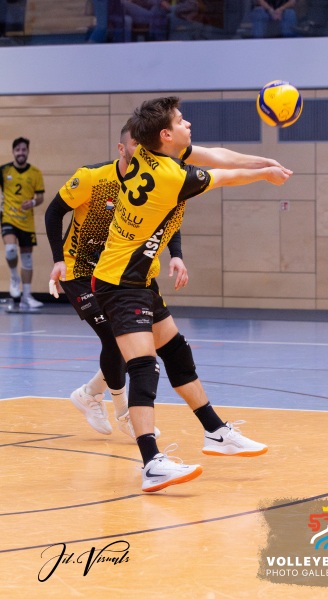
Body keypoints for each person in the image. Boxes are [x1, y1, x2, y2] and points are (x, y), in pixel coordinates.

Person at [92, 95, 293, 493]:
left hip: (140, 279)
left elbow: (217, 154)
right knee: (144, 367)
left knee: (177, 352)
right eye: (181, 121)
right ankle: (152, 464)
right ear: (166, 135)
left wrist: (265, 162)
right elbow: (225, 175)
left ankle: (216, 432)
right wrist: (264, 176)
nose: (188, 125)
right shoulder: (172, 176)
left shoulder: (149, 152)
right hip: (119, 283)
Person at [45, 121, 187, 440]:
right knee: (113, 337)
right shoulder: (93, 178)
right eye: (135, 145)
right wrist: (57, 259)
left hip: (115, 272)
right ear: (121, 149)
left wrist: (176, 255)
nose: (141, 151)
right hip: (79, 270)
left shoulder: (151, 182)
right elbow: (53, 212)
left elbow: (169, 219)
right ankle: (123, 411)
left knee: (127, 337)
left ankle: (89, 394)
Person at [0, 137, 45, 309]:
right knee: (10, 251)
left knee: (27, 260)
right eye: (18, 149)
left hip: (27, 222)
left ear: (27, 152)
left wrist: (32, 202)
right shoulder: (4, 170)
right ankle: (14, 277)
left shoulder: (35, 173)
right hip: (9, 218)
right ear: (13, 152)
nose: (21, 152)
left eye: (23, 149)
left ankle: (26, 297)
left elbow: (40, 197)